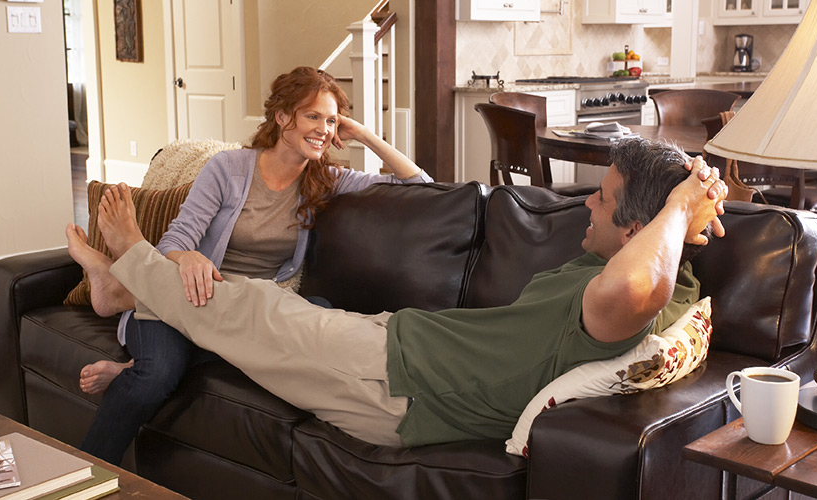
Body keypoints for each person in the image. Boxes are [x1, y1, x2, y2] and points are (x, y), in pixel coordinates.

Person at [91, 137, 728, 448]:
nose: (586, 201)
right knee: (260, 314)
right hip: (401, 350)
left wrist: (679, 206)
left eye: (603, 197)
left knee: (251, 308)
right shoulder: (666, 274)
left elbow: (635, 287)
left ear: (643, 227)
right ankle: (132, 292)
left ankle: (130, 265)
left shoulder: (642, 298)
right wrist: (692, 202)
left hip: (401, 378)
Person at [64, 66, 432, 463]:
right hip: (189, 295)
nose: (324, 129)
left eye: (331, 120)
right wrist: (187, 256)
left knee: (319, 320)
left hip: (250, 313)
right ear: (281, 117)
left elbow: (422, 189)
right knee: (155, 376)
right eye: (313, 116)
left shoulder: (326, 179)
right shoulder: (229, 168)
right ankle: (85, 475)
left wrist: (362, 134)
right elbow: (175, 241)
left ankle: (121, 309)